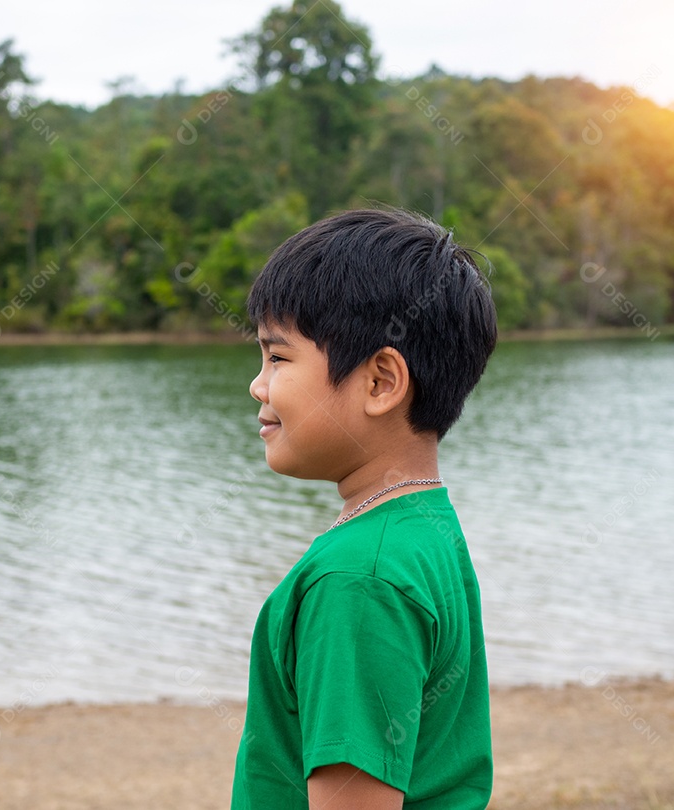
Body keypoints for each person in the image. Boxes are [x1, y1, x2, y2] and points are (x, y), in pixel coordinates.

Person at [231, 208, 497, 809]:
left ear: (380, 382)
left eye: (278, 357)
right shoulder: (424, 527)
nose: (258, 383)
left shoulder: (358, 578)